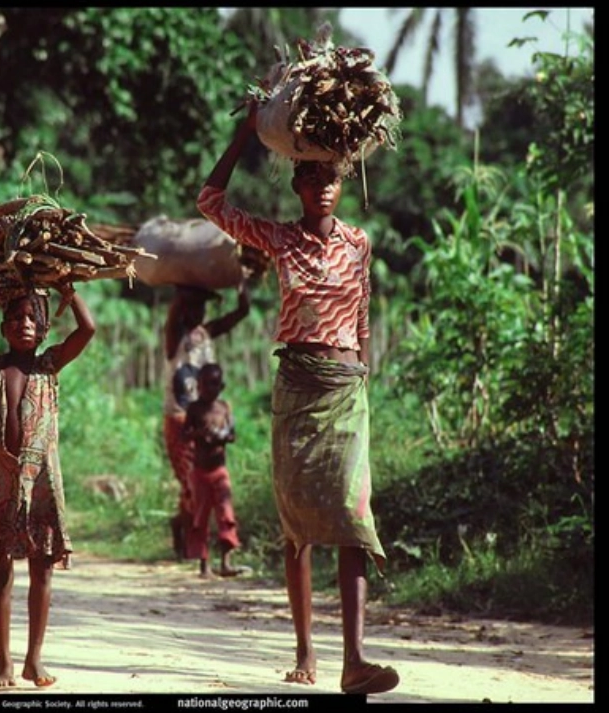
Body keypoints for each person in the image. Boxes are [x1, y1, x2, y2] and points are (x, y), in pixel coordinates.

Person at [195, 102, 400, 695]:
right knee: (298, 524)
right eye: (311, 179)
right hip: (297, 387)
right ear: (297, 185)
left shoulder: (359, 243)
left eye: (331, 178)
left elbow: (362, 313)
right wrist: (241, 136)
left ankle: (355, 660)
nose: (323, 189)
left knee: (353, 516)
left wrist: (364, 371)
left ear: (343, 183)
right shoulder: (280, 238)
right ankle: (307, 650)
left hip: (346, 390)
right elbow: (211, 203)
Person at [0, 285, 95, 690]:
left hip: (43, 480)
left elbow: (88, 329)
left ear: (45, 328)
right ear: (2, 327)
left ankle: (34, 659)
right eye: (15, 318)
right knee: (1, 570)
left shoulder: (49, 365)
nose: (24, 325)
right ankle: (4, 665)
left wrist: (68, 291)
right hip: (0, 479)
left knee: (43, 567)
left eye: (33, 318)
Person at [163, 280, 249, 561]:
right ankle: (194, 545)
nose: (198, 311)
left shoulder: (206, 334)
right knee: (192, 482)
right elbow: (174, 316)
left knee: (201, 483)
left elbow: (238, 316)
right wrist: (183, 291)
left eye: (202, 305)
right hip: (179, 416)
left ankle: (186, 532)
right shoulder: (174, 337)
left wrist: (242, 289)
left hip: (208, 416)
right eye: (193, 305)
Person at [181, 362, 243, 578]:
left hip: (219, 470)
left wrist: (222, 436)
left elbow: (233, 434)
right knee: (201, 517)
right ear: (198, 386)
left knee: (226, 514)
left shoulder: (224, 408)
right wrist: (199, 433)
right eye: (205, 384)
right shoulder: (194, 409)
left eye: (214, 384)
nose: (210, 389)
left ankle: (226, 562)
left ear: (221, 386)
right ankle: (204, 565)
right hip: (200, 472)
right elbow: (184, 434)